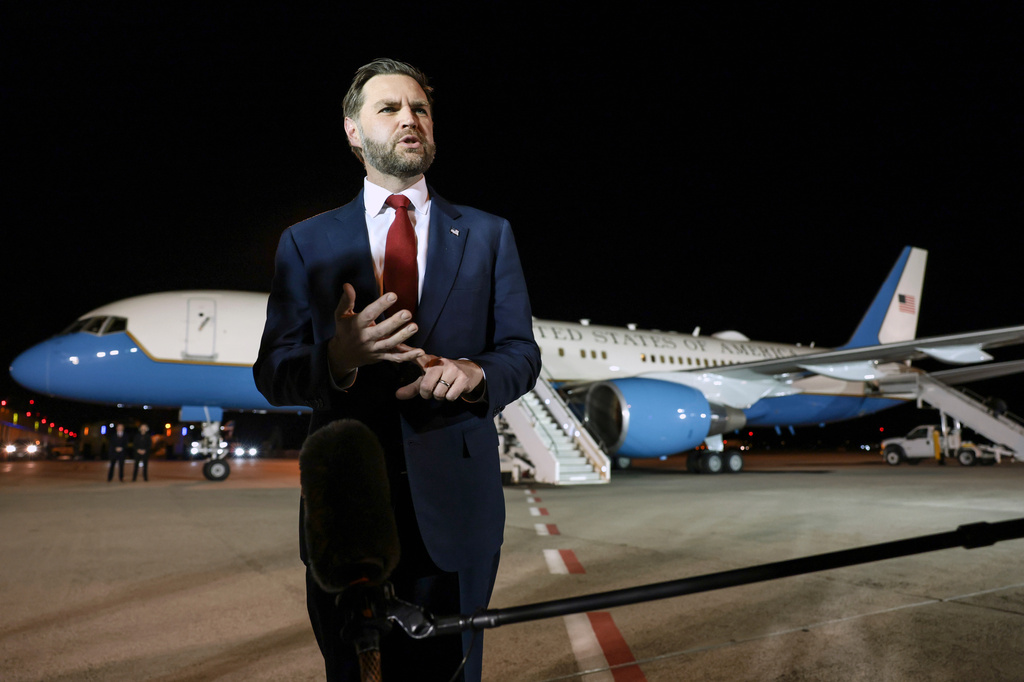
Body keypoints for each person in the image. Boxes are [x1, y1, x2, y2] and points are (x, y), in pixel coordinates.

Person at [253, 58, 540, 681]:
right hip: (348, 509)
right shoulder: (306, 242)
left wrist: (475, 374)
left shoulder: (489, 236)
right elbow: (273, 372)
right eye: (389, 108)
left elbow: (521, 353)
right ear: (354, 132)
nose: (410, 119)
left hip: (457, 510)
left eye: (421, 109)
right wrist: (338, 359)